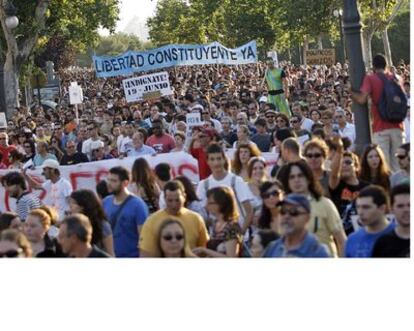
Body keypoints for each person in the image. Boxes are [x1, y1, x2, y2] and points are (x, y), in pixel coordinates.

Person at [280, 161, 346, 257]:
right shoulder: (282, 208)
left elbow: (341, 240)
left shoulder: (325, 204)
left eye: (300, 176)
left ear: (308, 179)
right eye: (292, 177)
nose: (296, 180)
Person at [352, 54, 405, 172]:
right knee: (399, 167)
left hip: (380, 128)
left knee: (384, 167)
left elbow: (361, 99)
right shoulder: (397, 78)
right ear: (386, 65)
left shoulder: (370, 78)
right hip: (398, 127)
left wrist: (350, 91)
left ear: (373, 66)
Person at [139, 180, 209, 257]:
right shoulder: (152, 221)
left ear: (184, 197)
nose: (174, 205)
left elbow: (204, 249)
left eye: (177, 200)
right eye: (170, 200)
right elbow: (145, 253)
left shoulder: (196, 219)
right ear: (164, 199)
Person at [197, 143, 254, 235]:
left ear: (224, 159)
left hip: (238, 238)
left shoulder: (236, 181)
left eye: (219, 158)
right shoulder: (203, 185)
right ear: (207, 161)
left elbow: (249, 211)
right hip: (215, 238)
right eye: (212, 159)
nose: (216, 163)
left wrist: (241, 233)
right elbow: (201, 215)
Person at [263, 193, 330, 258]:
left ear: (307, 218)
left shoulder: (318, 252)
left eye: (294, 212)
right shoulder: (272, 248)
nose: (286, 216)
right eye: (283, 211)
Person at [103, 166, 149, 257]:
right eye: (108, 180)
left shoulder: (138, 205)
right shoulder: (106, 202)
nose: (109, 183)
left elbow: (144, 239)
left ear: (125, 183)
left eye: (113, 181)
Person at [345, 185, 396, 258]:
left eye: (366, 207)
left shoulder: (401, 235)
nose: (360, 212)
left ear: (382, 208)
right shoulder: (352, 240)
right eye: (358, 207)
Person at [193, 186, 243, 257]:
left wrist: (205, 250)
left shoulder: (232, 227)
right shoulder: (215, 223)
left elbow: (231, 257)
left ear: (221, 204)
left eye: (210, 203)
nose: (206, 206)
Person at [69, 190, 114, 256]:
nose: (70, 206)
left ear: (82, 206)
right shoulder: (72, 224)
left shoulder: (102, 225)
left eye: (73, 203)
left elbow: (110, 253)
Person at [372, 183, 410, 257]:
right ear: (392, 209)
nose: (406, 210)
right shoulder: (383, 243)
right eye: (400, 206)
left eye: (410, 205)